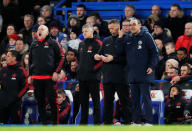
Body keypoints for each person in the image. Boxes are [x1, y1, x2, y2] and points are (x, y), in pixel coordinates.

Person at [117, 18, 159, 125]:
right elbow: (119, 52)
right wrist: (120, 38)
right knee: (134, 100)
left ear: (140, 25)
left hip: (145, 73)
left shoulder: (146, 36)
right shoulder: (127, 38)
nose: (132, 27)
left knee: (146, 98)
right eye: (130, 25)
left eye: (134, 24)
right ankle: (136, 122)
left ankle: (149, 122)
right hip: (132, 74)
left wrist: (152, 66)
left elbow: (155, 53)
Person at [94, 19, 132, 124]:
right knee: (108, 103)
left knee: (125, 102)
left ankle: (129, 123)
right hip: (108, 77)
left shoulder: (126, 39)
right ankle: (108, 124)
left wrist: (113, 59)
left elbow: (128, 58)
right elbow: (99, 53)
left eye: (112, 28)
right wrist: (97, 56)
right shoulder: (106, 40)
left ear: (118, 27)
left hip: (121, 77)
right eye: (109, 28)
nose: (110, 30)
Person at [28, 25, 64, 124]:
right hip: (36, 77)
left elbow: (61, 57)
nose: (40, 31)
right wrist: (30, 75)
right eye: (39, 29)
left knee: (53, 102)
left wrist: (56, 72)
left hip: (49, 78)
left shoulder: (53, 43)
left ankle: (55, 125)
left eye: (42, 29)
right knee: (40, 102)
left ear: (47, 32)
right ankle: (43, 124)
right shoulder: (33, 44)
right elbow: (30, 61)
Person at [77, 24, 102, 124]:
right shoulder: (81, 44)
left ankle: (97, 124)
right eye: (83, 31)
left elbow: (102, 60)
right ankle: (83, 124)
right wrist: (79, 71)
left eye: (86, 31)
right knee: (83, 103)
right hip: (82, 78)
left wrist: (93, 69)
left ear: (92, 32)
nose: (84, 33)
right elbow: (79, 60)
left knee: (96, 103)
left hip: (93, 78)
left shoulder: (98, 43)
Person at [0, 50, 28, 124]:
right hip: (3, 103)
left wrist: (17, 97)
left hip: (15, 104)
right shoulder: (3, 70)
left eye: (8, 56)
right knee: (2, 124)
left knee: (16, 124)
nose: (6, 58)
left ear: (14, 58)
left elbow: (26, 86)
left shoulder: (21, 70)